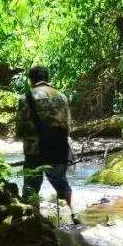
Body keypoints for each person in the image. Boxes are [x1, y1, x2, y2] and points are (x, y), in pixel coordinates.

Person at [16, 65, 77, 223]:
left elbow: (20, 127)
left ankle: (32, 219)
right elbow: (67, 125)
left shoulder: (26, 98)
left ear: (31, 80)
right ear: (48, 78)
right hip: (58, 148)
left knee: (31, 185)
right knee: (61, 182)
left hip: (34, 149)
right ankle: (74, 214)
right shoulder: (62, 97)